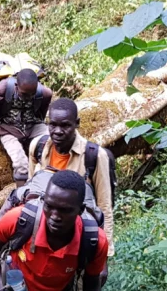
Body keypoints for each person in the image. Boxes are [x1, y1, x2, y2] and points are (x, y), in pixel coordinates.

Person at [29, 98, 115, 259]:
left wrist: (105, 253)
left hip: (78, 234)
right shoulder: (38, 147)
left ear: (77, 123)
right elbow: (32, 190)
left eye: (65, 125)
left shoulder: (94, 156)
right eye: (53, 124)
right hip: (42, 231)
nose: (58, 131)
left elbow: (104, 205)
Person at [0, 69, 52, 185]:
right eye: (24, 94)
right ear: (16, 85)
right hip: (6, 129)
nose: (28, 98)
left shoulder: (45, 94)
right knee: (20, 162)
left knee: (51, 144)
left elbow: (40, 115)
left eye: (32, 94)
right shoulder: (3, 89)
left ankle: (47, 183)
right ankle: (21, 194)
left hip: (32, 125)